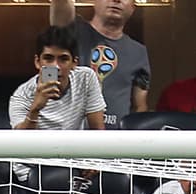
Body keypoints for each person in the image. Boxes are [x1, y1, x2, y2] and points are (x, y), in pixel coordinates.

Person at [49, 0, 150, 128]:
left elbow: (140, 106)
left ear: (133, 7)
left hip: (116, 142)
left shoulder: (138, 52)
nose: (116, 0)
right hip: (69, 137)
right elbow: (60, 6)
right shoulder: (70, 33)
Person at [10, 26, 106, 130]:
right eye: (48, 58)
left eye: (63, 59)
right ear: (37, 62)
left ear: (74, 63)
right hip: (39, 146)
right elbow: (21, 143)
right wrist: (35, 109)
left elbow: (98, 131)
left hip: (74, 145)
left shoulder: (86, 78)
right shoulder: (22, 96)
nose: (56, 66)